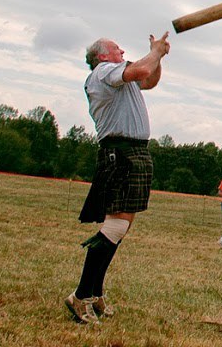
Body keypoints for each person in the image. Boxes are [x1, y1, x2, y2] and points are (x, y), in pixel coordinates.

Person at [65, 32, 170, 324]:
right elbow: (141, 70)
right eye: (116, 48)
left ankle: (95, 294)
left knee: (120, 228)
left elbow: (149, 79)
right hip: (120, 153)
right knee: (116, 226)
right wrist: (154, 51)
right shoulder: (103, 72)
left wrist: (157, 56)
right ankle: (80, 295)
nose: (122, 50)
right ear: (101, 56)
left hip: (135, 152)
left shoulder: (118, 76)